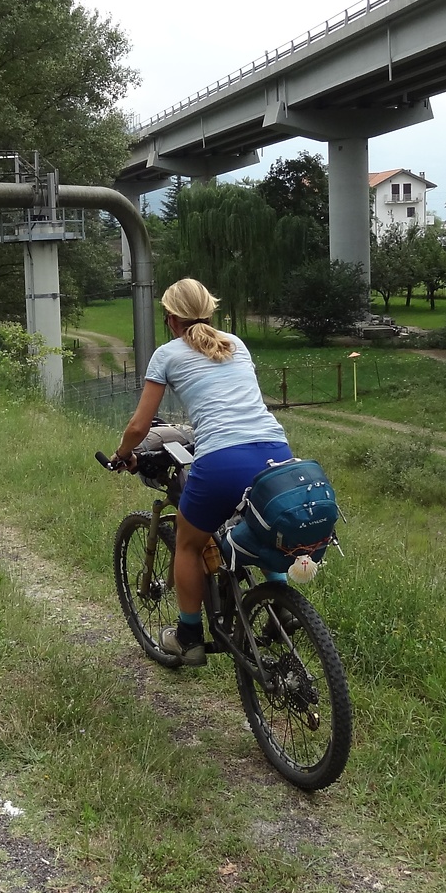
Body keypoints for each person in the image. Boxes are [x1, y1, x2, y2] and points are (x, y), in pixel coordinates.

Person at [109, 278, 291, 666]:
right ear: (209, 312)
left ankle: (189, 636)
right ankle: (282, 604)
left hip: (222, 459)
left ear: (171, 318)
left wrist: (122, 454)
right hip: (276, 452)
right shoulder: (235, 344)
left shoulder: (167, 354)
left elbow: (140, 427)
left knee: (189, 545)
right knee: (260, 525)